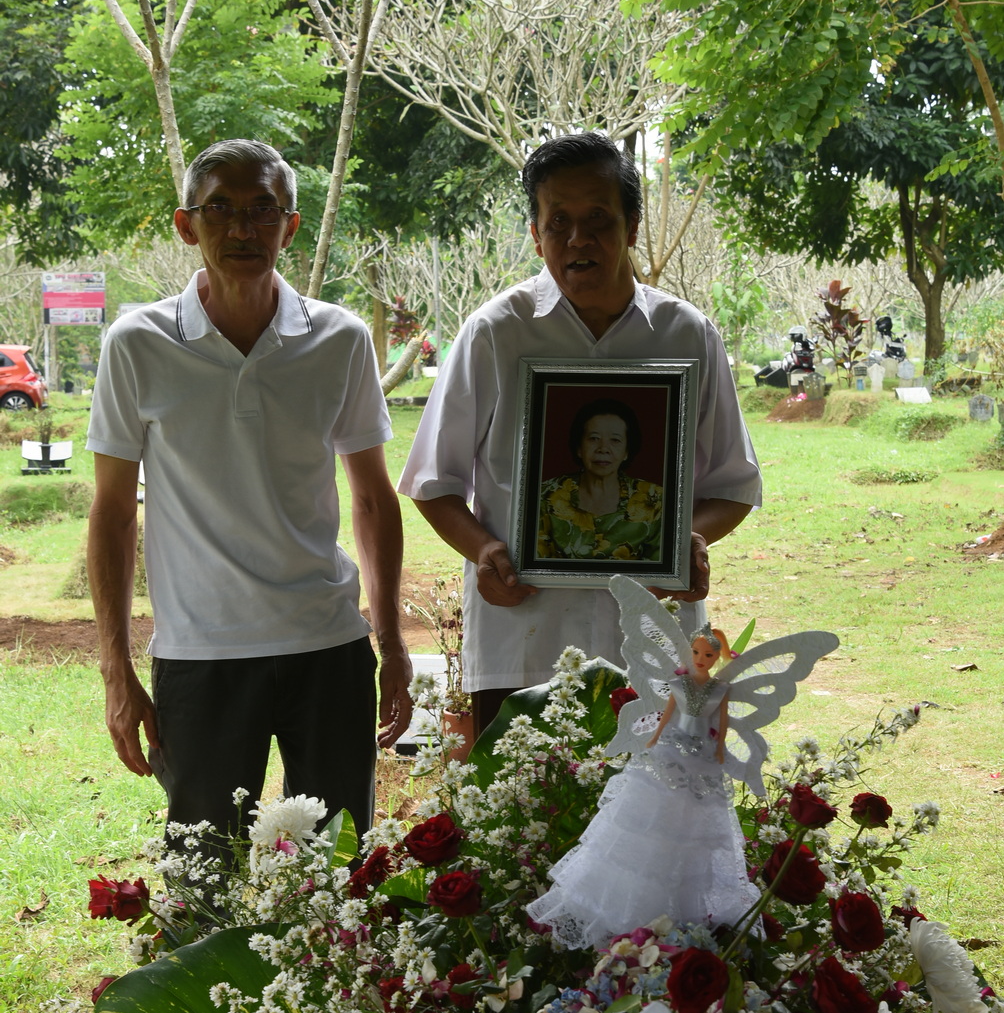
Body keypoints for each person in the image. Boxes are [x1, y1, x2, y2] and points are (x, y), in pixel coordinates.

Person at [86, 139, 412, 844]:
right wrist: (116, 669)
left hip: (327, 645)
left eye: (263, 210)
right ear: (186, 225)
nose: (242, 228)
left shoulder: (341, 339)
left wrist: (391, 643)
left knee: (335, 869)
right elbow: (111, 514)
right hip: (200, 651)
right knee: (204, 867)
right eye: (220, 210)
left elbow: (373, 500)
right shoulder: (137, 343)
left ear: (290, 227)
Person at [397, 131, 762, 738]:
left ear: (632, 227)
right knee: (520, 795)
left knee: (657, 795)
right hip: (523, 637)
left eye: (598, 219)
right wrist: (484, 551)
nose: (578, 239)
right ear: (535, 234)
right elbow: (434, 481)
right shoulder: (496, 333)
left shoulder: (687, 334)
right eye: (558, 222)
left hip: (653, 635)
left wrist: (686, 542)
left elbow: (733, 484)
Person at [526, 622, 760, 949]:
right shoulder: (679, 683)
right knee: (644, 818)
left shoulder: (720, 689)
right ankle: (623, 923)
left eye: (708, 655)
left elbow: (720, 722)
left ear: (716, 656)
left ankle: (676, 924)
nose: (700, 659)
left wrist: (720, 747)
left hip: (702, 757)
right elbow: (667, 715)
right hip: (670, 748)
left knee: (691, 827)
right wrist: (653, 737)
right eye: (696, 652)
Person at [537, 397, 662, 560]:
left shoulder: (655, 500)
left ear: (626, 452)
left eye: (615, 440)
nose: (603, 449)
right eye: (594, 438)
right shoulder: (544, 495)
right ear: (579, 448)